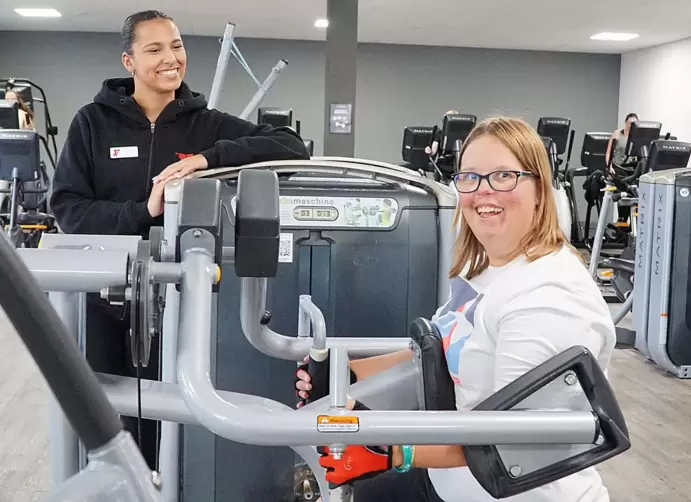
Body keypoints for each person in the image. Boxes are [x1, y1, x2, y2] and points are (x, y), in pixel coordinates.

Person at [296, 116, 617, 502]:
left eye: (503, 175)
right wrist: (344, 372)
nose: (484, 192)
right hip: (454, 486)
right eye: (470, 177)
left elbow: (516, 442)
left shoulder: (548, 297)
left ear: (539, 191)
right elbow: (442, 354)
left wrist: (393, 452)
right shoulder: (485, 269)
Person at [49, 9, 309, 470]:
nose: (171, 59)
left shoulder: (205, 124)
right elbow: (68, 208)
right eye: (154, 49)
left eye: (177, 46)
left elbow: (291, 147)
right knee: (109, 426)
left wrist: (210, 158)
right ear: (129, 61)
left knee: (178, 427)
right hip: (107, 302)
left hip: (182, 306)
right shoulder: (92, 123)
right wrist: (142, 212)